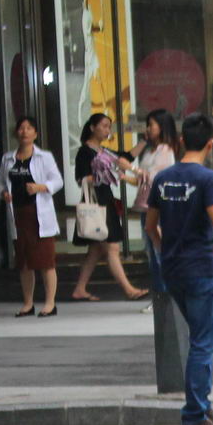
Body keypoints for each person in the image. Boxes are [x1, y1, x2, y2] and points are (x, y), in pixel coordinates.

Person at [145, 112, 213, 425]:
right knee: (202, 344)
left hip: (173, 270)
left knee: (197, 341)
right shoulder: (207, 179)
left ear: (179, 142)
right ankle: (194, 414)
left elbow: (151, 227)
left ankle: (200, 406)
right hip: (201, 270)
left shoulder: (163, 179)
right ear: (211, 143)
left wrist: (166, 254)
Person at [71, 112, 149, 303]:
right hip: (97, 201)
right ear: (92, 127)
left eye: (109, 127)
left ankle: (80, 289)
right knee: (112, 247)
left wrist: (144, 141)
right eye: (104, 126)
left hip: (105, 200)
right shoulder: (85, 152)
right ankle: (129, 289)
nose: (107, 130)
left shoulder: (104, 151)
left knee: (96, 249)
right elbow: (81, 178)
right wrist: (105, 173)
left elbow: (126, 157)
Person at [0, 115, 64, 317]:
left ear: (35, 133)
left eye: (29, 128)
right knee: (24, 261)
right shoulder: (7, 158)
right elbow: (0, 182)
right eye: (21, 128)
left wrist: (40, 187)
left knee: (45, 260)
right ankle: (28, 303)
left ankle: (50, 303)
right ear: (16, 132)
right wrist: (3, 193)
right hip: (18, 214)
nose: (24, 132)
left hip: (38, 214)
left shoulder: (44, 157)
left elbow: (58, 181)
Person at [133, 109, 180, 292]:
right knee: (152, 253)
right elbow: (141, 179)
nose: (148, 128)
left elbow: (153, 177)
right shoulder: (151, 150)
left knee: (159, 252)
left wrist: (130, 168)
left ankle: (165, 294)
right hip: (147, 206)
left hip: (159, 207)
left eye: (151, 124)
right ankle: (159, 294)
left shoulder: (166, 151)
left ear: (162, 127)